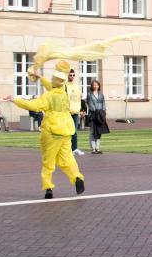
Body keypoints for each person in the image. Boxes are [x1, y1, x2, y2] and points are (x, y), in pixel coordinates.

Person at [11, 60, 85, 199]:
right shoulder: (65, 91)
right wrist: (39, 77)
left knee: (48, 162)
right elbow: (52, 86)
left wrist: (16, 100)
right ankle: (77, 177)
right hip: (66, 130)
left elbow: (33, 105)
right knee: (67, 159)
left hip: (52, 131)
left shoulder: (49, 96)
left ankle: (48, 188)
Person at [85, 79, 109, 154]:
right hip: (93, 114)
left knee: (99, 132)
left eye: (96, 85)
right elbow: (90, 104)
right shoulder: (89, 94)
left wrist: (104, 112)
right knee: (92, 132)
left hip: (100, 115)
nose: (95, 86)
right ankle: (93, 149)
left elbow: (104, 104)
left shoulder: (101, 95)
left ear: (99, 86)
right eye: (94, 85)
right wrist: (95, 110)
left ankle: (97, 148)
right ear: (92, 86)